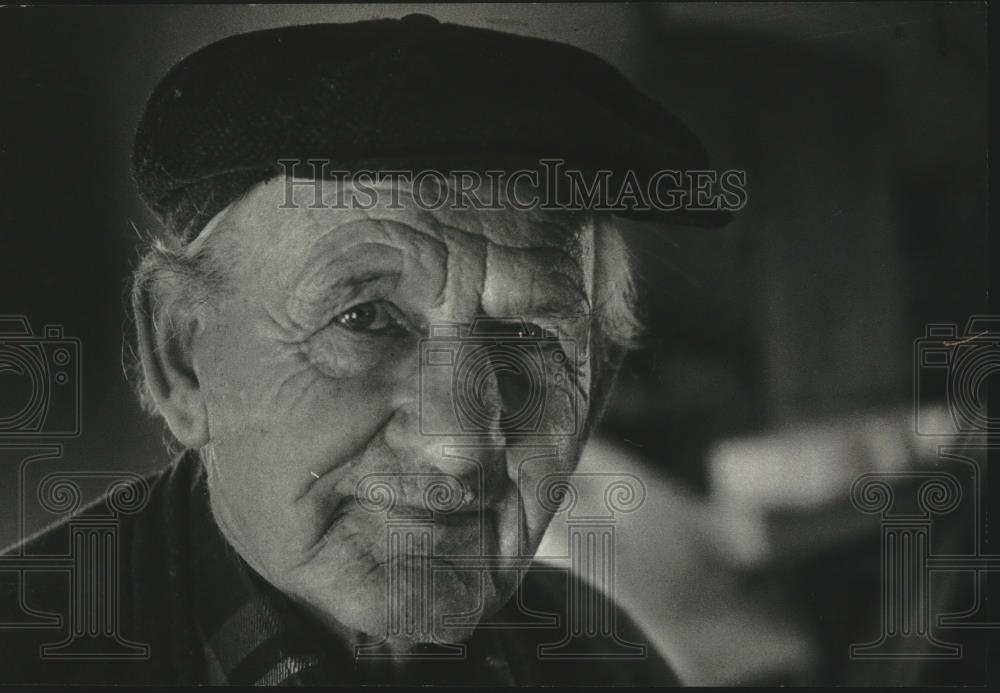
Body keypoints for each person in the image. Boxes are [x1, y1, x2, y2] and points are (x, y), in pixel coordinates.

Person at [0, 14, 727, 685]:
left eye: (529, 340)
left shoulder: (604, 662)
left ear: (595, 389)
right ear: (181, 360)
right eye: (364, 317)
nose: (459, 445)